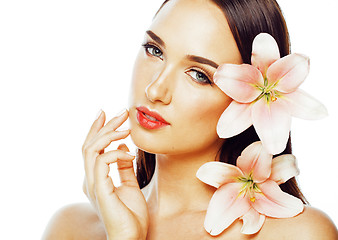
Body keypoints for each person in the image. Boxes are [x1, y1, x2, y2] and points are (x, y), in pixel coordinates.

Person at [42, 0, 337, 239]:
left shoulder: (297, 233)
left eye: (199, 75)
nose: (155, 89)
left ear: (250, 101)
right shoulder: (71, 229)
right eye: (154, 50)